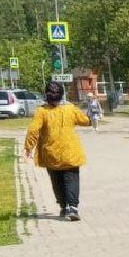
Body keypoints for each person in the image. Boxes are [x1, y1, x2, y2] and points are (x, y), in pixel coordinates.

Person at [23, 82, 92, 221]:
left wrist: (29, 147)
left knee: (57, 181)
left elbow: (33, 130)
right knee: (72, 179)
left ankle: (63, 207)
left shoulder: (41, 111)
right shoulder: (70, 109)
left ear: (46, 95)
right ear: (61, 95)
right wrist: (90, 120)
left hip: (51, 152)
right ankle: (73, 208)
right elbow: (84, 120)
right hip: (71, 152)